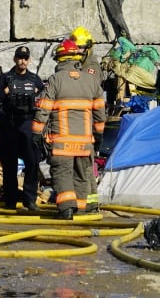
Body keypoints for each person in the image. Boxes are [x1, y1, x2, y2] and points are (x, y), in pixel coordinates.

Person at [32, 39, 106, 220]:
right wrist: (98, 135)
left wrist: (35, 133)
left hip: (62, 143)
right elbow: (100, 114)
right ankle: (80, 210)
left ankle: (66, 209)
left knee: (63, 174)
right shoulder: (91, 81)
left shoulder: (56, 80)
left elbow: (43, 109)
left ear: (60, 59)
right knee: (81, 176)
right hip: (84, 143)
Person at [0, 46, 44, 211]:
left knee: (32, 162)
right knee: (9, 164)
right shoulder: (6, 78)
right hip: (10, 124)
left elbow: (44, 99)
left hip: (28, 123)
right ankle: (11, 200)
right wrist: (5, 92)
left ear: (29, 60)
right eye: (20, 58)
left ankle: (30, 200)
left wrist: (37, 94)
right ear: (15, 59)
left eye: (25, 58)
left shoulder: (35, 80)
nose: (23, 61)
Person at [69, 26, 104, 211]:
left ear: (88, 47)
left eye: (80, 47)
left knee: (86, 165)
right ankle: (86, 200)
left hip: (87, 123)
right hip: (77, 122)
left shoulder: (91, 68)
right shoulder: (77, 64)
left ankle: (91, 203)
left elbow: (90, 93)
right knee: (78, 165)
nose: (77, 50)